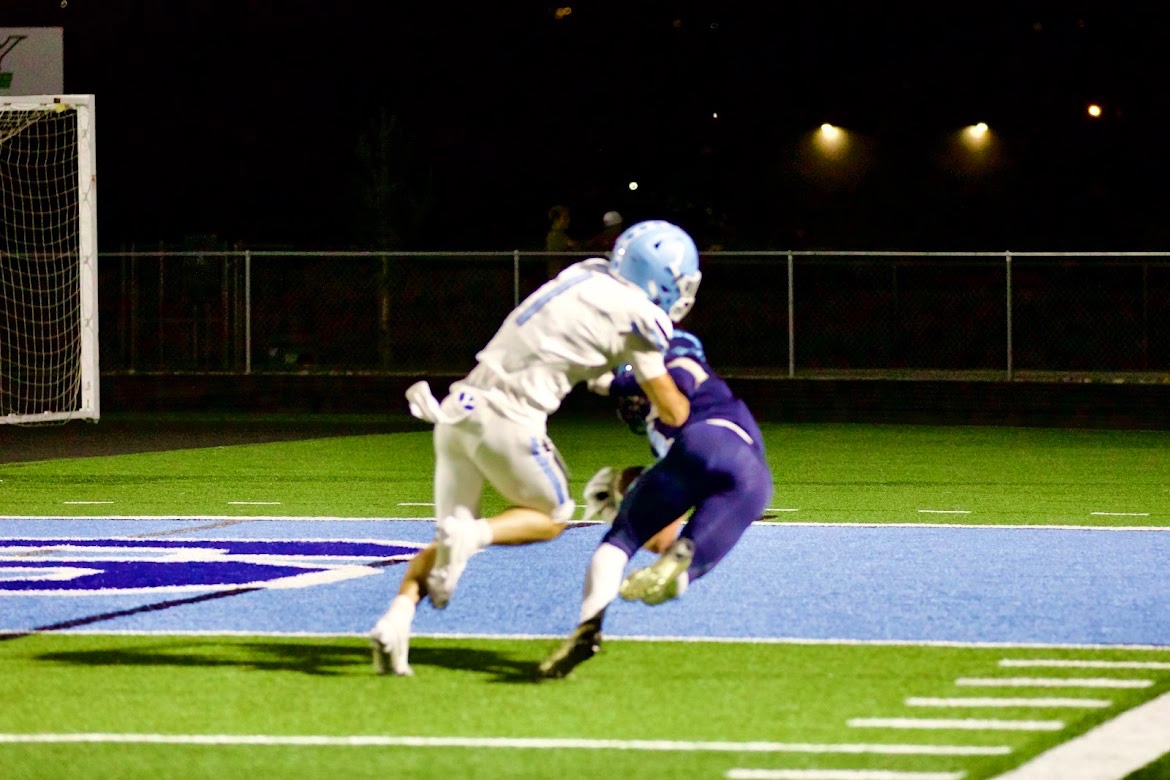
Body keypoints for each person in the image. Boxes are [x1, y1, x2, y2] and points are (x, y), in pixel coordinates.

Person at [369, 220, 703, 676]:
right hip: (506, 419)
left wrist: (610, 380)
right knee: (553, 516)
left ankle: (395, 621)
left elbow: (577, 351)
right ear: (661, 279)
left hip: (457, 411)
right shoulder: (640, 316)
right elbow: (673, 410)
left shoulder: (585, 275)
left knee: (451, 539)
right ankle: (471, 537)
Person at [537, 328, 773, 680]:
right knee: (682, 569)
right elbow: (662, 539)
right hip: (753, 478)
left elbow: (672, 381)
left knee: (618, 543)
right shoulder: (693, 391)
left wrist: (615, 384)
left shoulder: (669, 383)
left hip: (701, 439)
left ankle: (588, 628)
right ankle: (682, 567)